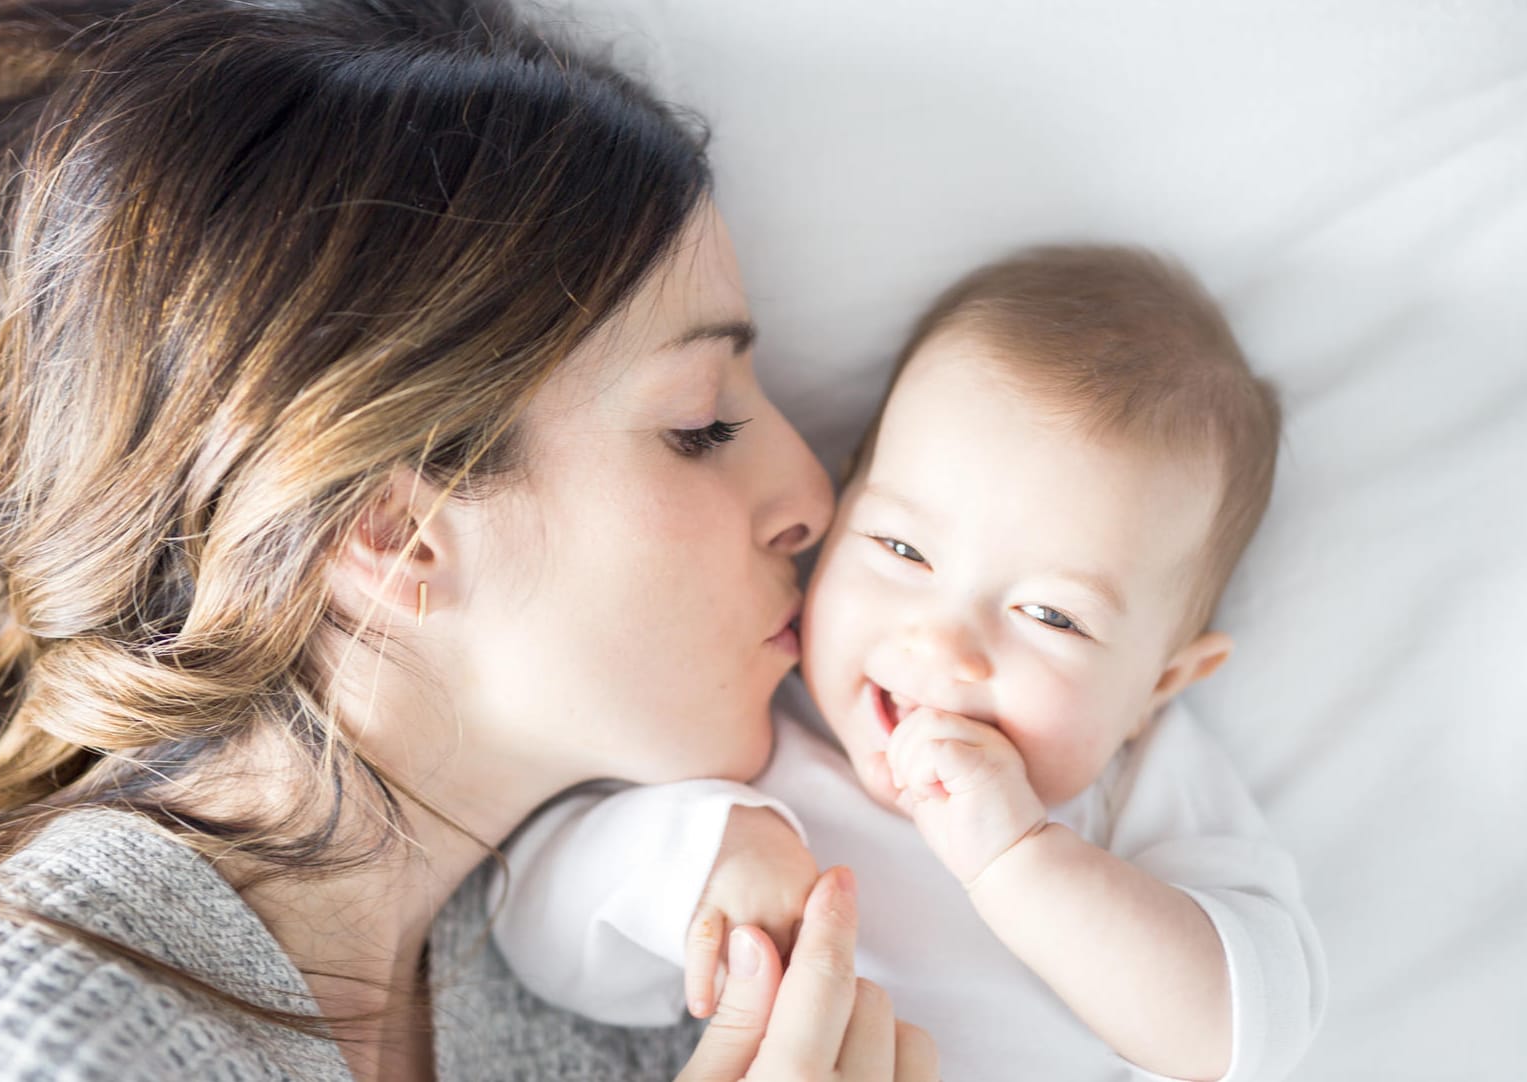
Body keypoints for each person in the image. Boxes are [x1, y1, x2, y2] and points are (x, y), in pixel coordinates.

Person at [0, 0, 941, 1079]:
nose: (814, 498)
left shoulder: (654, 989)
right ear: (391, 532)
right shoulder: (14, 1029)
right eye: (702, 425)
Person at [494, 246, 1329, 1080]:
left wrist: (1019, 858)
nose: (943, 644)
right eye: (901, 548)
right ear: (839, 503)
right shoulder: (747, 732)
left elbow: (1245, 1033)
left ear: (1158, 685)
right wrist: (708, 855)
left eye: (1050, 615)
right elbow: (529, 936)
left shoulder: (1140, 776)